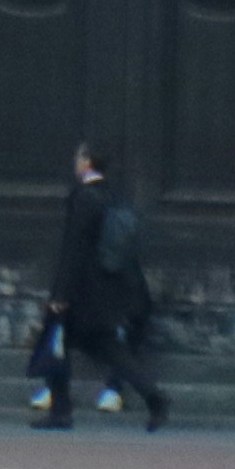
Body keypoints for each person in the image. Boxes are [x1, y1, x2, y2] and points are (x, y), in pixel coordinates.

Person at [40, 138, 168, 432]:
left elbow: (74, 249)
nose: (76, 163)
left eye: (78, 158)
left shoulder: (83, 197)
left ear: (86, 162)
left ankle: (60, 411)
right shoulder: (110, 196)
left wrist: (60, 294)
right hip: (105, 290)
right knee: (109, 349)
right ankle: (155, 397)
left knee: (56, 343)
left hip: (81, 290)